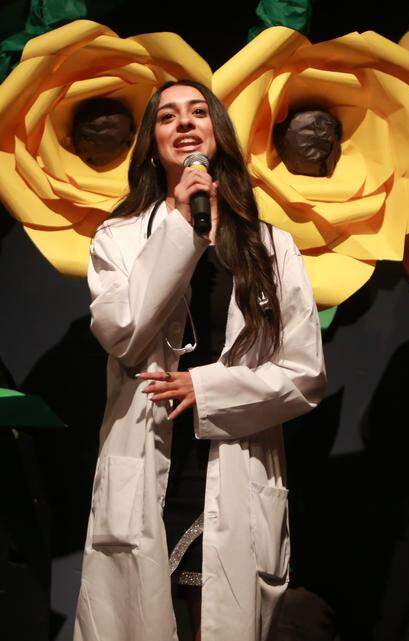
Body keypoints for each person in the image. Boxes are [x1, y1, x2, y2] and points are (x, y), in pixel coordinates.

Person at [77, 79, 326, 641]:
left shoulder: (270, 247)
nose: (184, 123)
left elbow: (304, 373)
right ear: (151, 142)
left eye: (197, 112)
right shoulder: (116, 239)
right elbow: (125, 332)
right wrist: (181, 230)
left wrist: (206, 389)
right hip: (144, 466)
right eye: (167, 116)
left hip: (231, 466)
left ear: (218, 133)